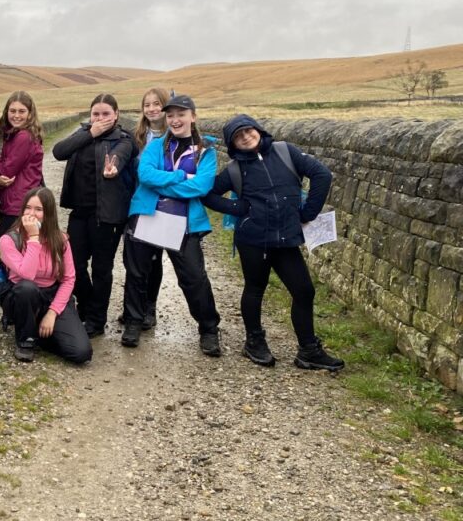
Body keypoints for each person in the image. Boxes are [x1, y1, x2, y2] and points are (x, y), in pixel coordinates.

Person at [207, 114, 344, 371]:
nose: (245, 137)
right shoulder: (235, 169)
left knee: (304, 291)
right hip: (254, 240)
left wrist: (308, 213)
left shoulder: (285, 152)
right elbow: (209, 194)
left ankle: (308, 351)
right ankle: (254, 342)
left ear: (258, 130)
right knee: (255, 289)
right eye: (238, 136)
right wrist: (238, 208)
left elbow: (322, 174)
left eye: (248, 130)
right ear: (232, 144)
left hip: (286, 239)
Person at [121, 94, 222, 356]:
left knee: (193, 278)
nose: (175, 120)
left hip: (184, 223)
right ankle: (133, 322)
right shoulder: (157, 145)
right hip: (146, 215)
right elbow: (145, 175)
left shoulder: (205, 151)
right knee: (137, 274)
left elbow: (201, 186)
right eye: (171, 115)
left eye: (181, 114)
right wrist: (180, 176)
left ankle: (209, 329)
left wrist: (164, 182)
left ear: (193, 117)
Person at [52, 93, 136, 337]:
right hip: (80, 212)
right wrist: (90, 133)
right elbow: (58, 151)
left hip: (108, 215)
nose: (100, 119)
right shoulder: (83, 135)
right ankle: (87, 307)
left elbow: (120, 157)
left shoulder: (123, 139)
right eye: (96, 114)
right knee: (72, 265)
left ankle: (96, 321)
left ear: (116, 115)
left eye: (106, 114)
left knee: (101, 268)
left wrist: (113, 168)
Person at [0, 187, 92, 364]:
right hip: (22, 296)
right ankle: (26, 341)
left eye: (39, 209)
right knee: (27, 288)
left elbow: (69, 278)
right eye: (28, 208)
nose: (32, 214)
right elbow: (27, 274)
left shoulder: (60, 240)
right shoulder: (8, 240)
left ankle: (41, 333)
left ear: (48, 214)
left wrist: (52, 313)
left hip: (51, 296)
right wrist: (33, 238)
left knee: (81, 353)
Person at [118, 87, 170, 328]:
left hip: (164, 205)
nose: (151, 109)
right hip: (137, 204)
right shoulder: (136, 136)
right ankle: (133, 308)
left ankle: (150, 307)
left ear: (166, 106)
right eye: (147, 105)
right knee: (133, 260)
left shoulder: (174, 136)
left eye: (156, 104)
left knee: (154, 258)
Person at [0, 91, 44, 263]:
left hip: (19, 203)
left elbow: (7, 169)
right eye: (12, 111)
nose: (16, 115)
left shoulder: (23, 136)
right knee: (14, 248)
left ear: (30, 114)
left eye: (21, 111)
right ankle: (14, 284)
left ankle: (12, 285)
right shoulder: (14, 135)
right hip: (13, 200)